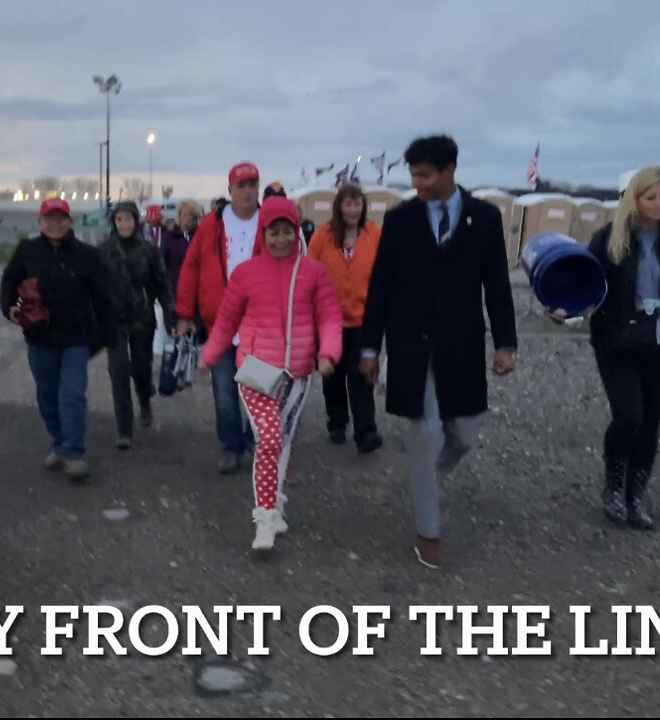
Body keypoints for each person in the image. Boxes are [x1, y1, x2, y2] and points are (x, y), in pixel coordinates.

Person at [358, 135, 517, 570]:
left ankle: (424, 479)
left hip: (462, 344)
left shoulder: (485, 219)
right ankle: (428, 531)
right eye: (412, 174)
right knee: (426, 434)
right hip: (411, 344)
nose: (417, 183)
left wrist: (505, 343)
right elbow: (381, 288)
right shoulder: (401, 220)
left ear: (450, 170)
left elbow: (498, 286)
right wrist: (370, 347)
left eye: (424, 174)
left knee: (463, 436)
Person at [548, 164, 660, 530]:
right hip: (618, 341)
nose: (658, 204)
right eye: (650, 197)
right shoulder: (610, 237)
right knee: (629, 416)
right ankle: (613, 485)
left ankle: (636, 494)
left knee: (650, 421)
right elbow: (586, 279)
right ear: (635, 199)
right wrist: (565, 307)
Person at [199, 196, 343, 551]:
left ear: (297, 232)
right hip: (258, 371)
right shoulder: (246, 274)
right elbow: (226, 320)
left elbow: (329, 316)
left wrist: (328, 352)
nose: (281, 239)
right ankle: (263, 518)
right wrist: (211, 355)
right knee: (269, 439)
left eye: (287, 232)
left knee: (284, 442)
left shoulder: (313, 272)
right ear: (264, 234)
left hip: (298, 374)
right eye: (274, 232)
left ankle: (276, 502)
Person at [0, 198, 119, 481]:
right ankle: (59, 443)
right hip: (39, 338)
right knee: (47, 396)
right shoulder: (27, 251)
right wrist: (9, 308)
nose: (55, 224)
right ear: (40, 222)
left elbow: (103, 296)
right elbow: (9, 280)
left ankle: (75, 454)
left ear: (70, 221)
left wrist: (109, 333)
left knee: (73, 395)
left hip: (76, 339)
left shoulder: (87, 255)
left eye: (61, 218)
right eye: (49, 219)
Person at [176, 162, 264, 473]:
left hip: (260, 329)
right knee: (225, 394)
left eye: (253, 184)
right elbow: (191, 269)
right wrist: (185, 314)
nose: (248, 191)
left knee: (261, 393)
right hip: (221, 326)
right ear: (230, 190)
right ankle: (231, 447)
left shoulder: (271, 224)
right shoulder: (212, 225)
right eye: (241, 185)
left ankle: (255, 442)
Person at [307, 182, 384, 453]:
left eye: (357, 204)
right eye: (348, 204)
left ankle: (366, 432)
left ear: (363, 207)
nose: (353, 209)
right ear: (339, 207)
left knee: (362, 376)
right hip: (330, 320)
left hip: (365, 319)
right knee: (333, 376)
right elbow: (309, 272)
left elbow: (387, 271)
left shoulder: (374, 234)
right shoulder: (323, 236)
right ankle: (337, 423)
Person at [100, 201, 177, 449]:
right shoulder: (104, 251)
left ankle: (144, 398)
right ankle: (124, 430)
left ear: (136, 221)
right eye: (119, 220)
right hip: (114, 321)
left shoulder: (149, 251)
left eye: (128, 219)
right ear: (114, 222)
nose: (124, 224)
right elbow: (94, 287)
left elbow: (163, 287)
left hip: (143, 319)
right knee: (119, 371)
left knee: (141, 370)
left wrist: (170, 316)